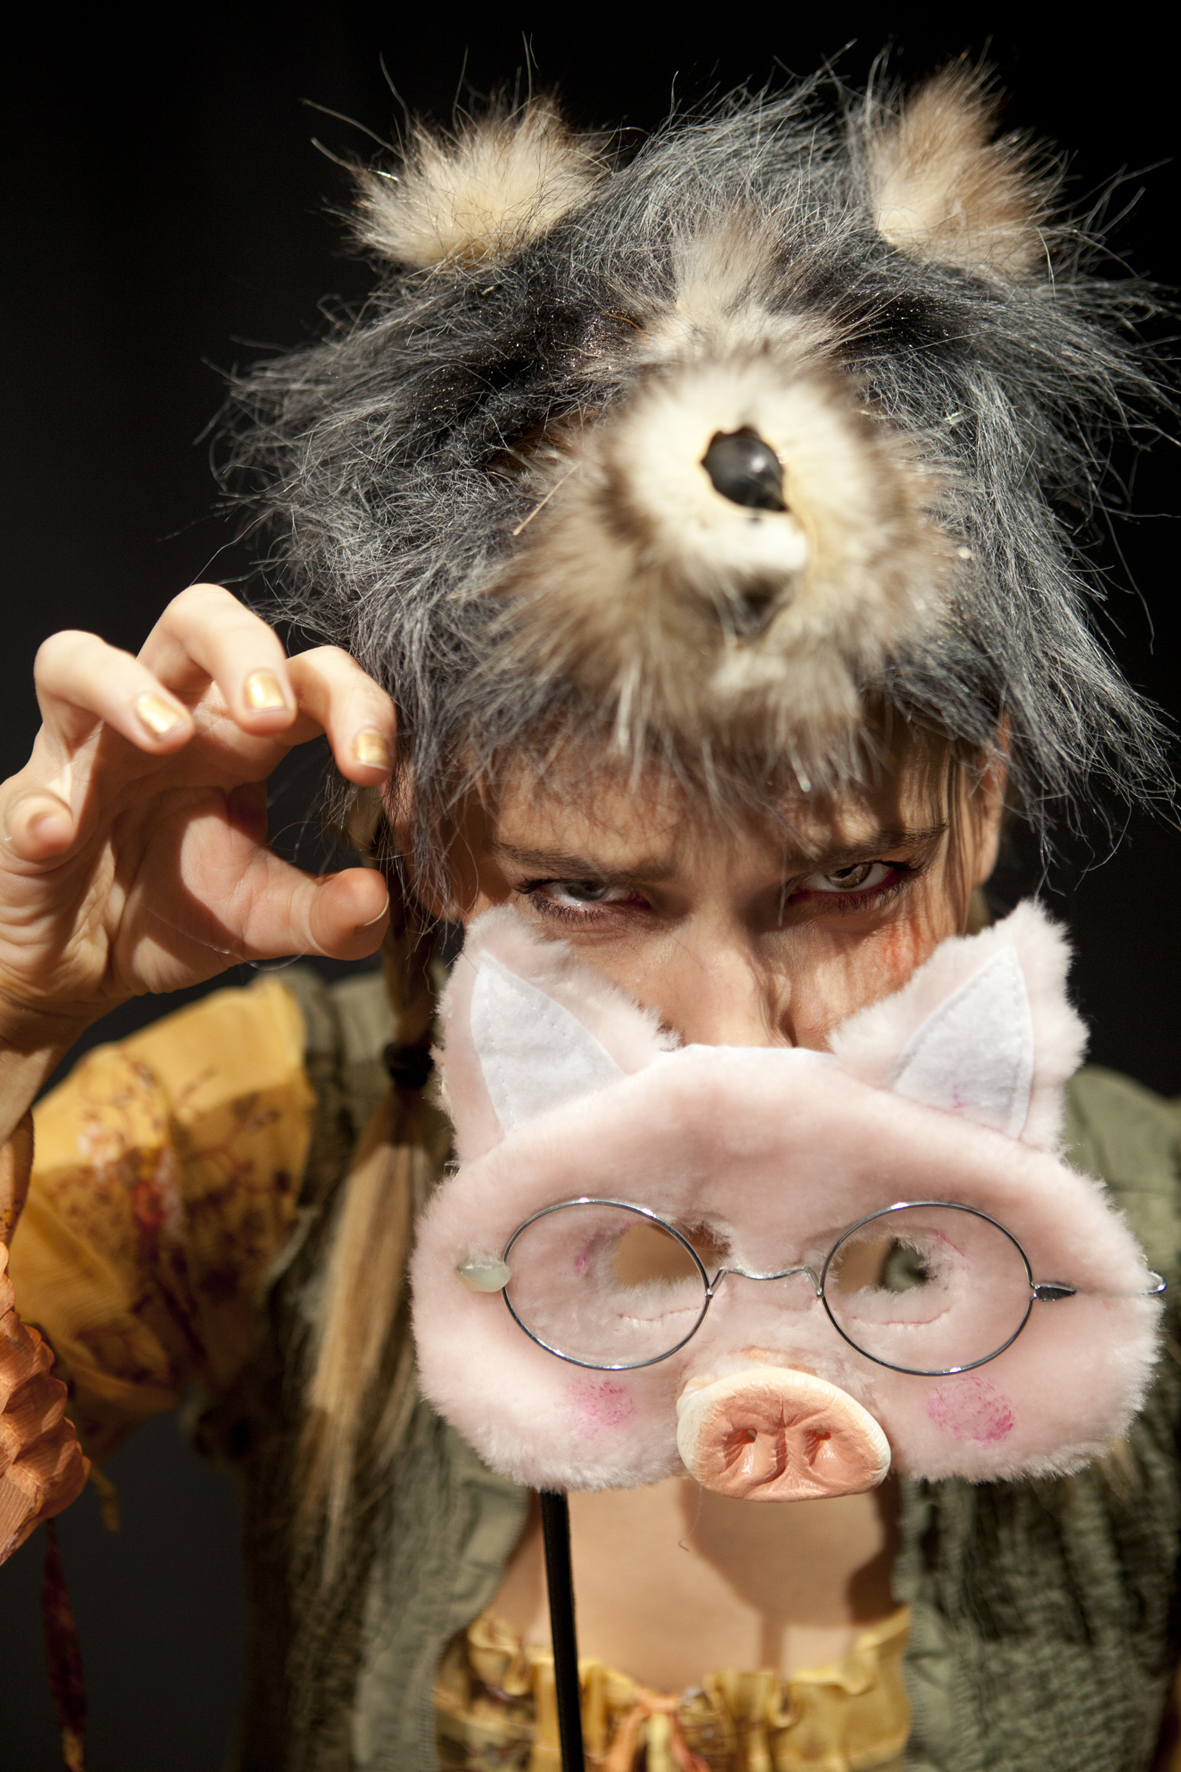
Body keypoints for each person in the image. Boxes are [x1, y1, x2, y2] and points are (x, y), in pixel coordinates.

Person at [1, 61, 1179, 1772]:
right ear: (428, 836)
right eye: (586, 895)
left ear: (981, 794)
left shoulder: (1155, 1238)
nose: (728, 1036)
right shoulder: (285, 1136)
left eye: (844, 880)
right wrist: (9, 1026)